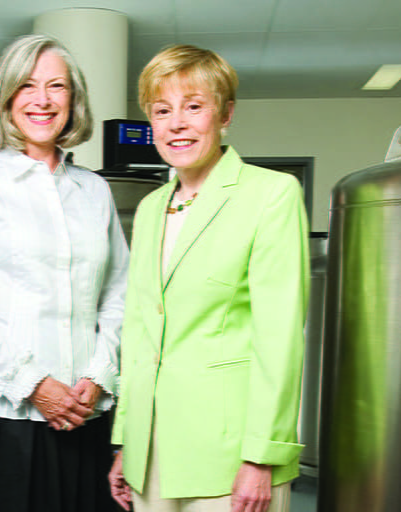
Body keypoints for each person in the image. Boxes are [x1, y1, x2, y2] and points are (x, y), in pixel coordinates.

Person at [0, 34, 129, 512]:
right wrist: (34, 385)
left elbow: (119, 293)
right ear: (7, 97)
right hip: (0, 416)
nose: (42, 100)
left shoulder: (93, 191)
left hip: (86, 412)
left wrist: (99, 374)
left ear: (73, 100)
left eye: (57, 86)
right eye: (27, 86)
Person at [108, 44, 309, 512]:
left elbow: (279, 338)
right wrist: (125, 442)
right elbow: (139, 334)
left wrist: (261, 456)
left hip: (231, 455)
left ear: (225, 114)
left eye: (193, 106)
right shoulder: (152, 207)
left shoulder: (271, 194)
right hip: (152, 451)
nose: (176, 123)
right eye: (162, 110)